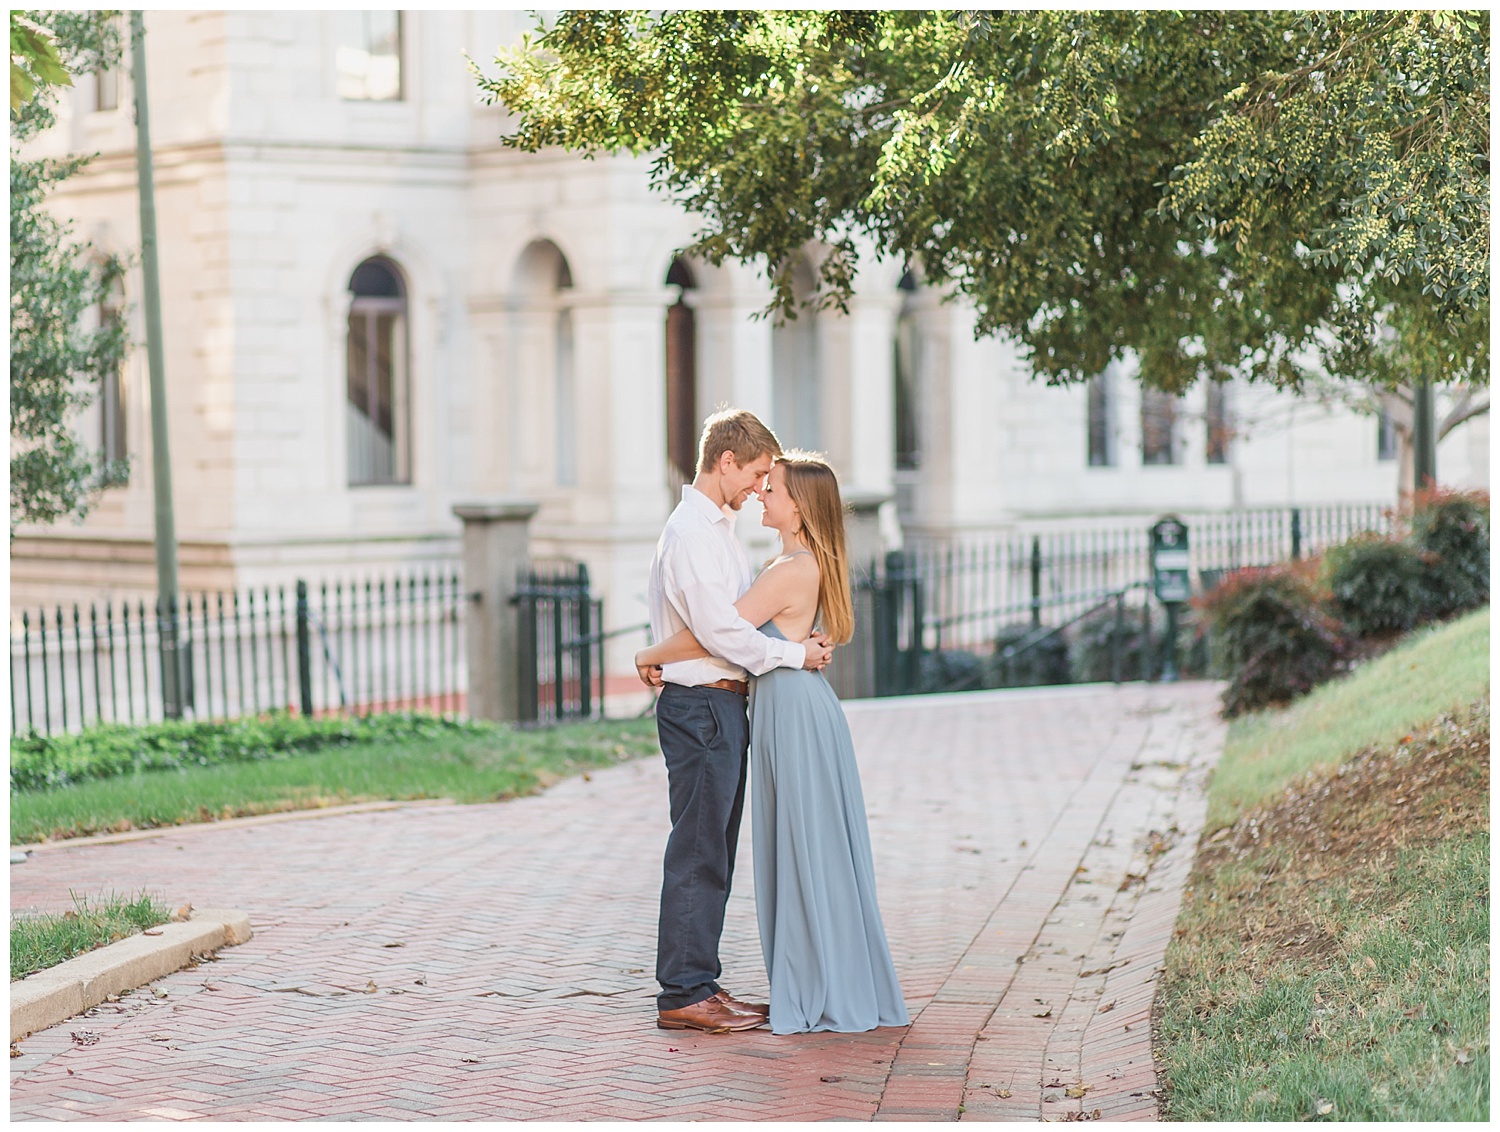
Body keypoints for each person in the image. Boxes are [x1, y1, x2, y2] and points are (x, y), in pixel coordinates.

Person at [637, 452, 909, 1035]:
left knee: (807, 848)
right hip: (789, 710)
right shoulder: (787, 561)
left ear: (800, 506)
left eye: (775, 488)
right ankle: (812, 976)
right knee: (804, 848)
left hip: (794, 714)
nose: (763, 493)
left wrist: (648, 654)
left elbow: (719, 632)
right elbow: (737, 632)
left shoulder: (790, 568)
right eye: (762, 482)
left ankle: (817, 981)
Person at [643, 409, 836, 1035]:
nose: (760, 486)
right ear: (725, 462)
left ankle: (701, 981)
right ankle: (683, 992)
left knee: (714, 850)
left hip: (719, 706)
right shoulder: (693, 533)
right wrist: (794, 654)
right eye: (755, 473)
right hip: (700, 708)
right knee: (699, 850)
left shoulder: (715, 529)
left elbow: (729, 622)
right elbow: (722, 631)